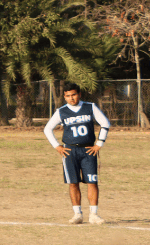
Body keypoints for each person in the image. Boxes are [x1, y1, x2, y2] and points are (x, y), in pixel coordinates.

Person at [43, 82, 111, 224]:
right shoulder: (61, 111)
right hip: (70, 151)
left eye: (73, 95)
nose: (71, 98)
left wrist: (99, 143)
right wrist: (57, 146)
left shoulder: (90, 107)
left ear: (79, 94)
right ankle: (77, 214)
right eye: (68, 96)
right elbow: (47, 129)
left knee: (92, 182)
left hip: (88, 150)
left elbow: (105, 123)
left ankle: (94, 215)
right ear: (64, 97)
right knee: (73, 183)